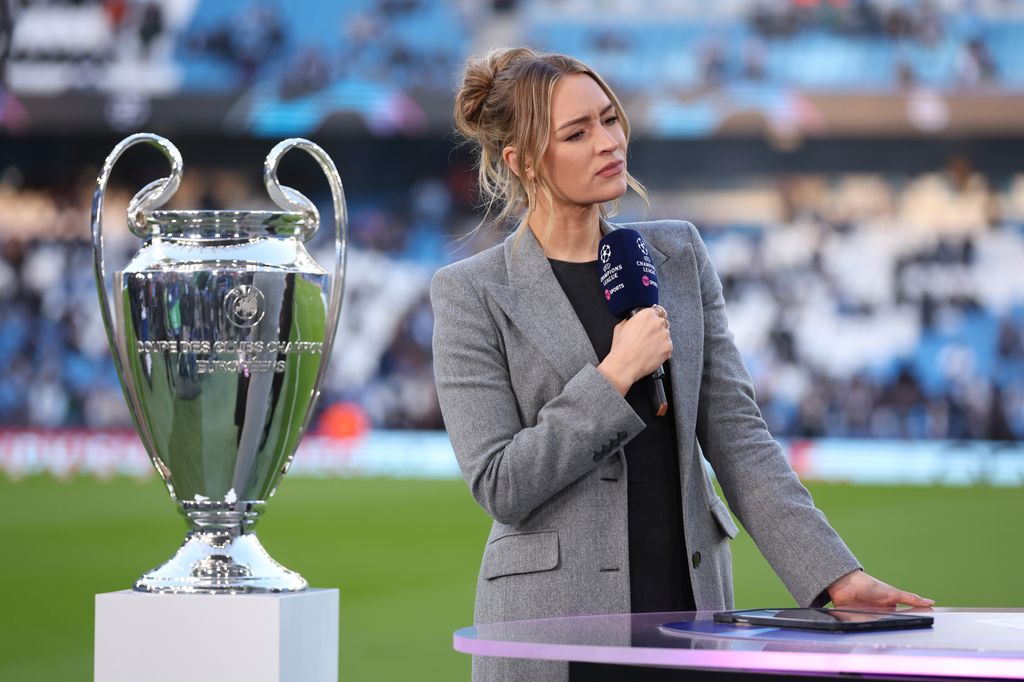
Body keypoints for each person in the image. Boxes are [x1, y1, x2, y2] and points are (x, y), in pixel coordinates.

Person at [430, 47, 932, 682]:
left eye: (610, 120)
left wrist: (835, 574)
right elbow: (501, 483)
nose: (608, 141)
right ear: (523, 162)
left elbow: (739, 438)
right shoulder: (472, 292)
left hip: (689, 612)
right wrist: (614, 377)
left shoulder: (678, 255)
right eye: (577, 133)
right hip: (551, 630)